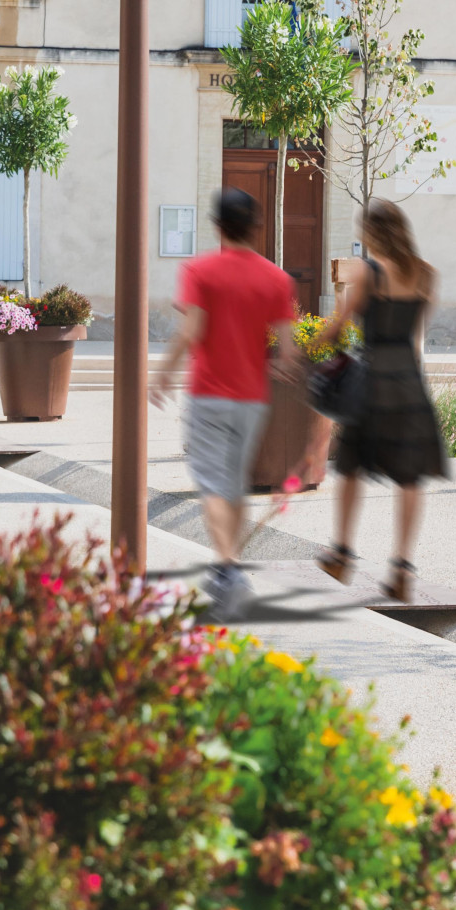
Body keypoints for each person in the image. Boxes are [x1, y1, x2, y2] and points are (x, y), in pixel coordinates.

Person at [153, 187, 298, 618]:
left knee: (212, 485)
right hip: (252, 399)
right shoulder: (276, 279)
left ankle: (229, 570)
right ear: (256, 227)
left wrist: (163, 373)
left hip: (209, 394)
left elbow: (192, 331)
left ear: (218, 227)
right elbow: (288, 351)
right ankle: (227, 571)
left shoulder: (200, 271)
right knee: (234, 485)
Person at [310, 198, 448, 603]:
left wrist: (310, 348)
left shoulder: (368, 273)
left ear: (371, 233)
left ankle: (341, 553)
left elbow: (337, 328)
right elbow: (416, 334)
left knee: (351, 468)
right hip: (409, 383)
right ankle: (402, 567)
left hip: (372, 383)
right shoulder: (426, 273)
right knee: (410, 477)